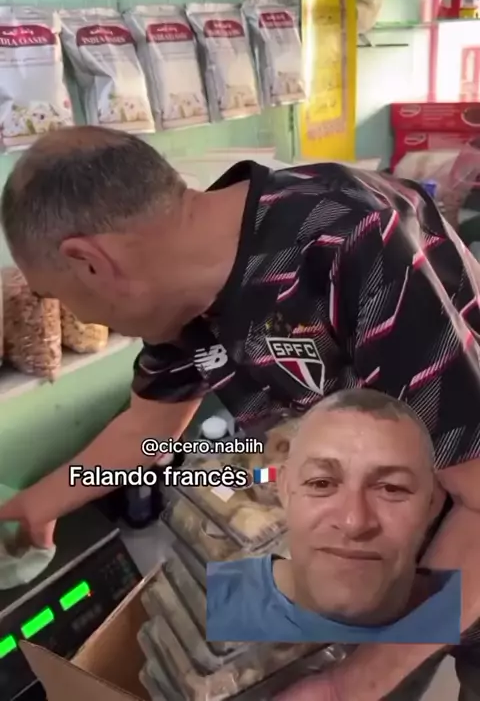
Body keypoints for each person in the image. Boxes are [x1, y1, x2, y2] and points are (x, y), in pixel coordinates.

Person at [0, 125, 480, 699]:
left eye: (57, 295)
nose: (78, 316)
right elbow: (146, 431)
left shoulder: (351, 244)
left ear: (90, 263)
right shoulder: (185, 293)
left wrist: (353, 684)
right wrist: (36, 507)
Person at [207, 390, 460, 646]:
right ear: (285, 489)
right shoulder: (208, 598)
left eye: (391, 488)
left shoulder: (465, 611)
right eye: (321, 483)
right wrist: (239, 498)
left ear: (432, 503)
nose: (354, 522)